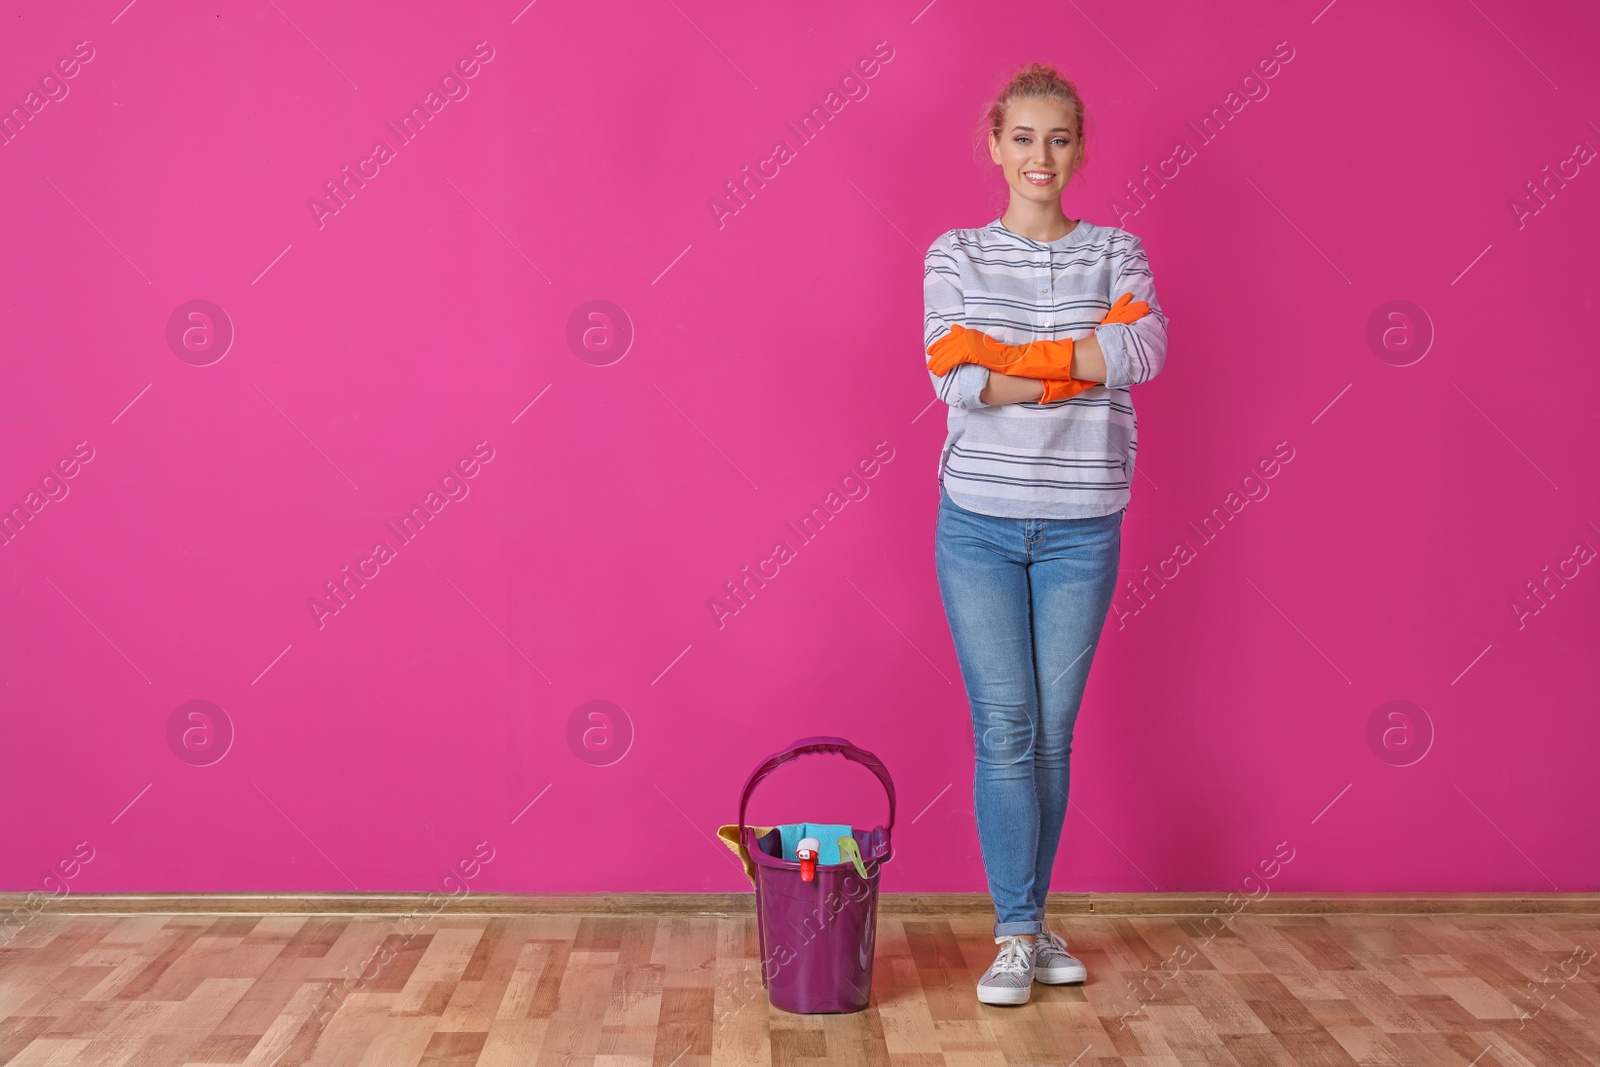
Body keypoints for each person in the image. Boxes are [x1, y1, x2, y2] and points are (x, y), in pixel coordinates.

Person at [923, 62, 1169, 1006]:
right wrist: (1082, 362)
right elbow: (953, 374)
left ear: (1079, 149)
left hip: (1083, 526)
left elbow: (1143, 350)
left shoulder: (1118, 248)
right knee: (1006, 726)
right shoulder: (955, 253)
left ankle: (1031, 916)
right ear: (995, 145)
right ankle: (1017, 933)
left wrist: (1013, 362)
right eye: (1022, 137)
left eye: (1058, 138)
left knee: (1053, 735)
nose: (1040, 155)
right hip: (977, 523)